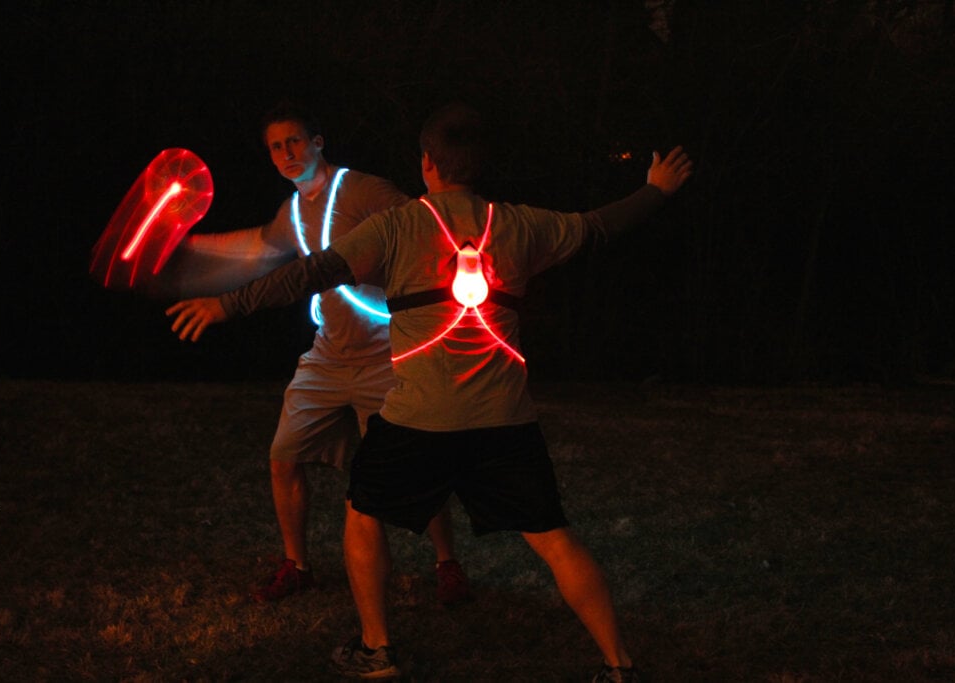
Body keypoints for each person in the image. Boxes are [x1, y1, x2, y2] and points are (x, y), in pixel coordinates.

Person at [166, 103, 692, 682]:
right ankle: (619, 666)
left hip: (418, 421)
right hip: (505, 422)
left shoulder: (397, 226)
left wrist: (227, 304)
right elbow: (599, 226)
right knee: (553, 539)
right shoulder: (519, 224)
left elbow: (307, 275)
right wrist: (656, 191)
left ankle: (377, 650)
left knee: (363, 513)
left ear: (427, 165)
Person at [153, 102, 470, 605]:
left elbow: (420, 227)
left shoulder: (364, 190)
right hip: (327, 357)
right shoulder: (293, 214)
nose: (285, 153)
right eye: (276, 147)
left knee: (417, 467)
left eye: (295, 141)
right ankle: (297, 566)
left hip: (387, 354)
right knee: (284, 457)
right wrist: (182, 254)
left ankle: (447, 565)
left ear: (318, 142)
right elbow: (255, 247)